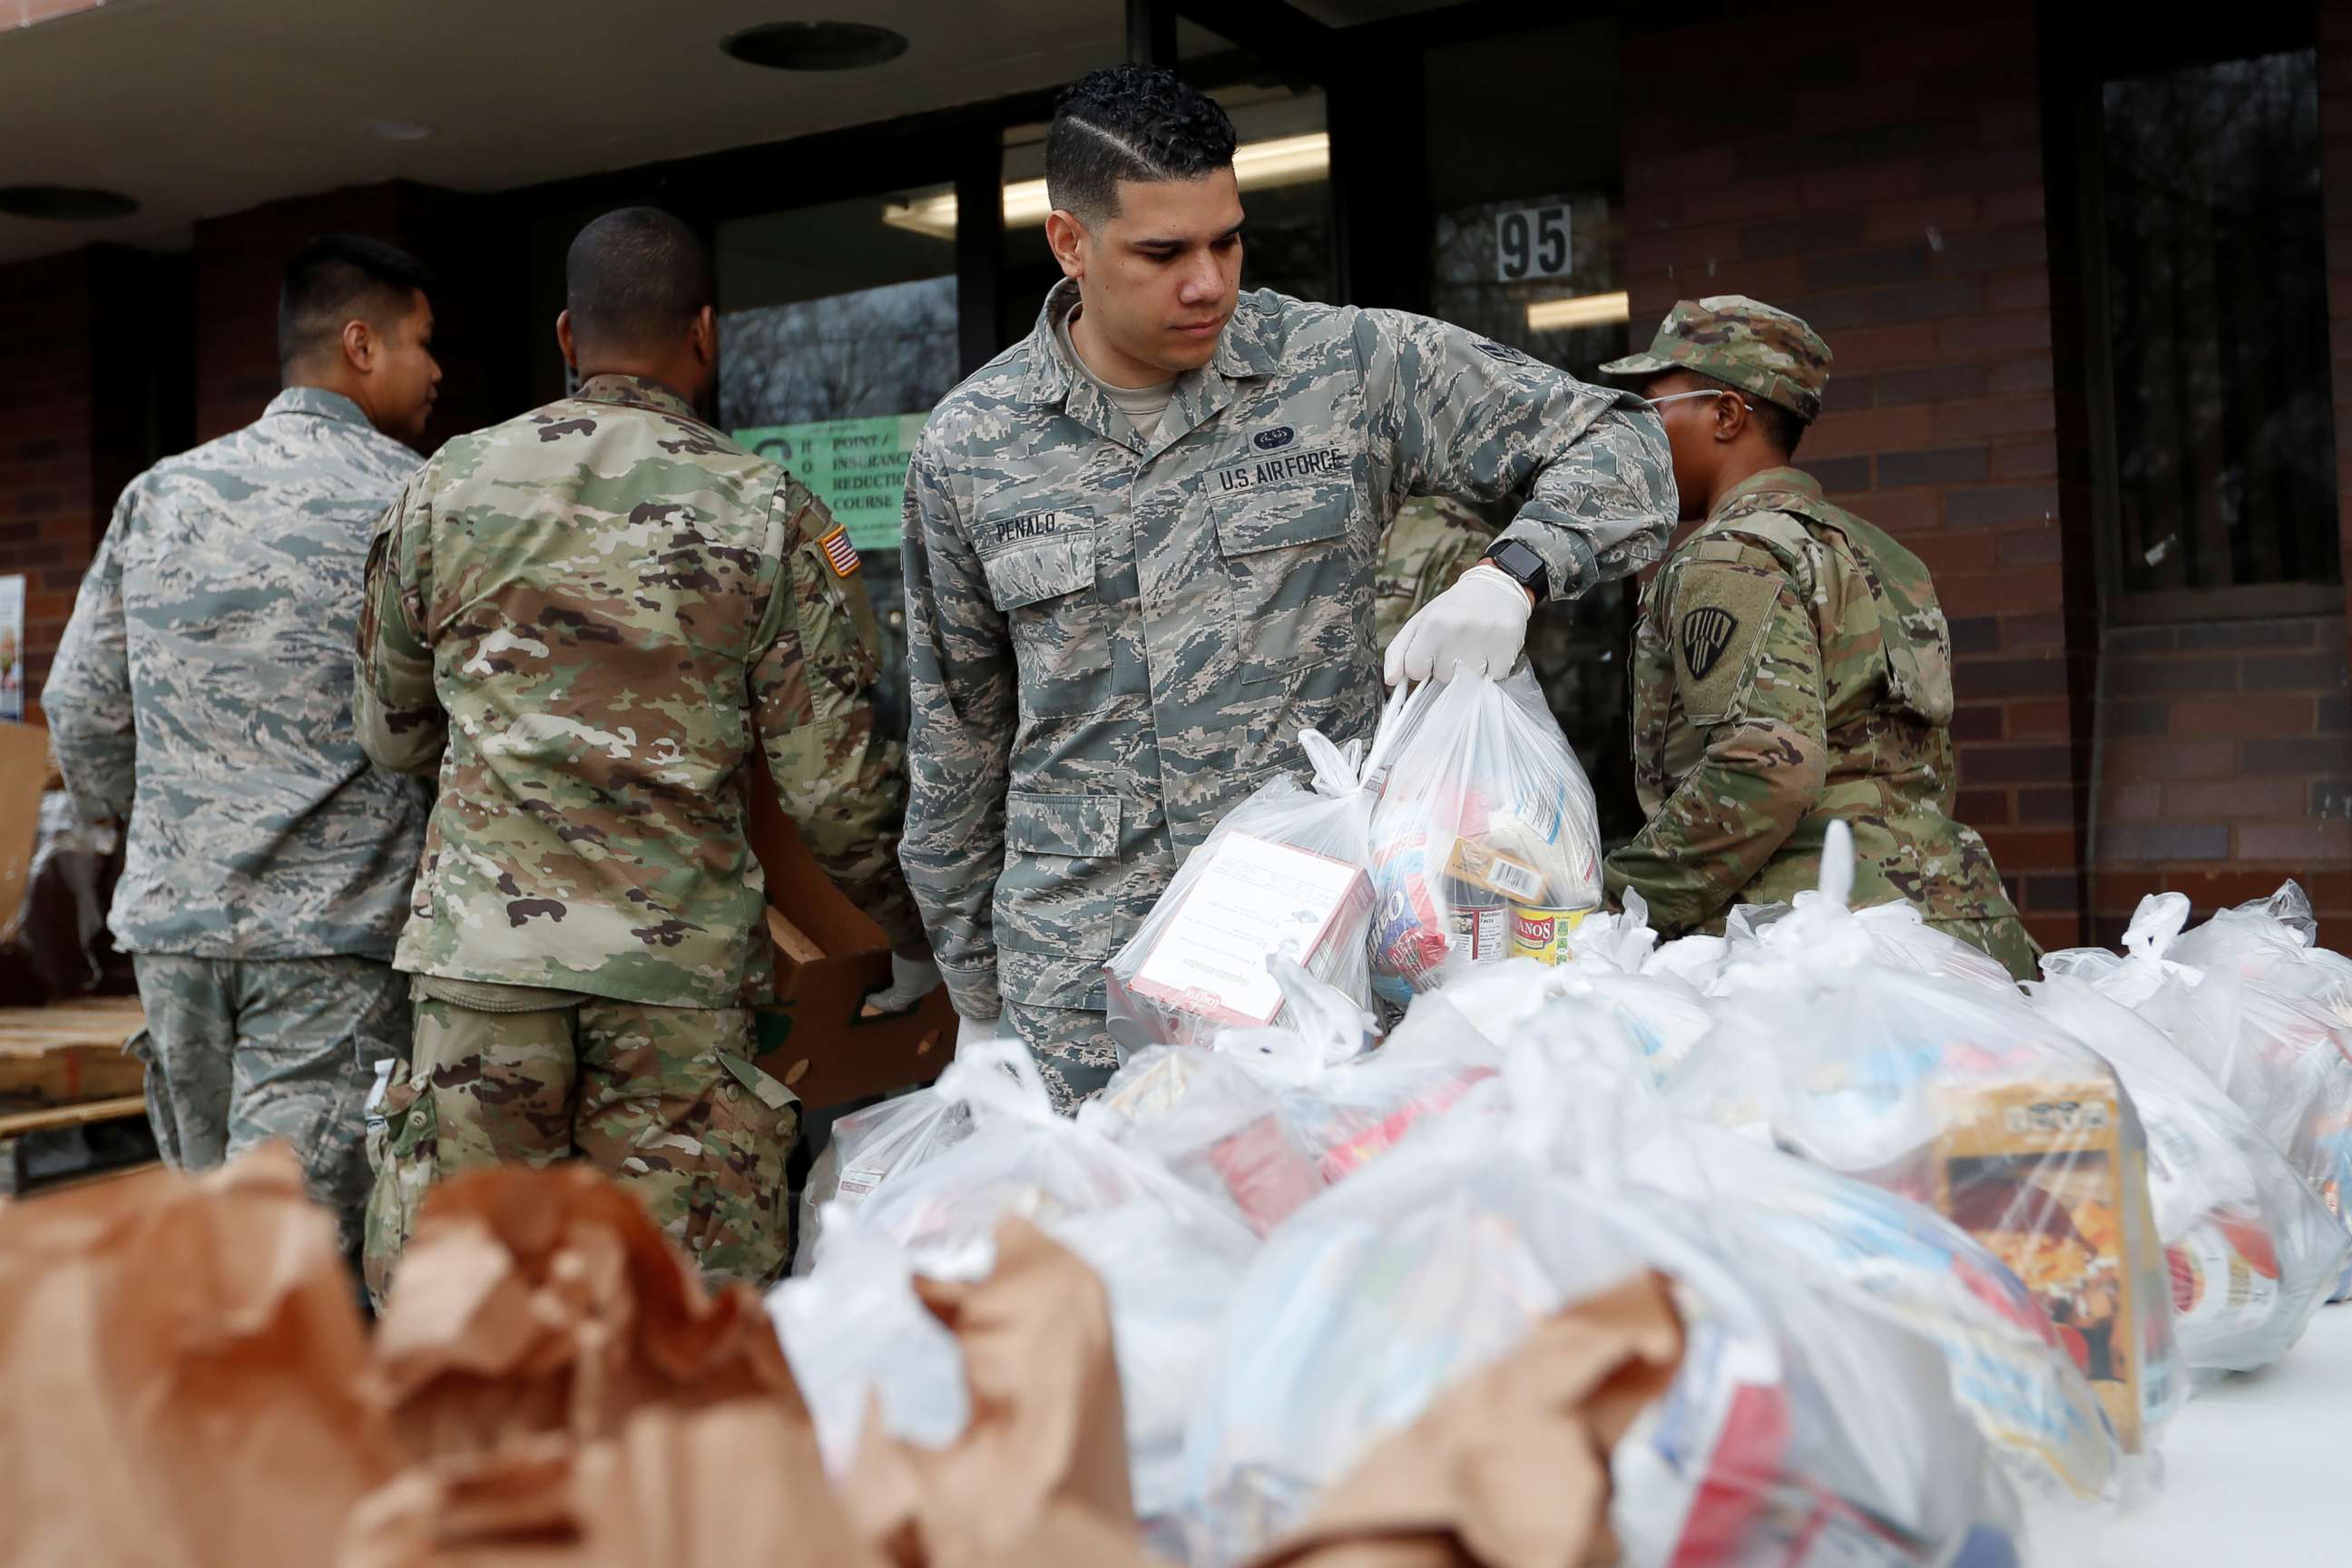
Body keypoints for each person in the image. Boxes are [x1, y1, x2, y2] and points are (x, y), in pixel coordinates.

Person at [901, 64, 1675, 1109]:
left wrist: (1514, 573)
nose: (1208, 282)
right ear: (1069, 243)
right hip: (1082, 988)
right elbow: (957, 737)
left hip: (1323, 973)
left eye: (1228, 240)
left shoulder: (1343, 367)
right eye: (1164, 252)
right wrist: (975, 1000)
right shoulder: (972, 445)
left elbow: (1621, 443)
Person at [353, 207, 933, 1297]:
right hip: (678, 985)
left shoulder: (445, 488)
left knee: (467, 1324)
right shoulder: (767, 511)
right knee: (678, 1338)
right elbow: (833, 787)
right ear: (704, 334)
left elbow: (390, 735)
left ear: (568, 335)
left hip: (484, 965)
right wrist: (913, 939)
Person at [44, 234, 441, 1260]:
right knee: (296, 1276)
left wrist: (179, 826)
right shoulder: (415, 500)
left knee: (213, 1255)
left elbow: (80, 709)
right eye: (421, 343)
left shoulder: (161, 493)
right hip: (330, 945)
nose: (438, 372)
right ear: (360, 344)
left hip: (178, 938)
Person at [1595, 295, 2039, 979]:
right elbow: (1916, 766)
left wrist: (1620, 901)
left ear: (1726, 414)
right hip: (1955, 931)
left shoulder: (1730, 556)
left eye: (1655, 411)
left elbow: (1766, 766)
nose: (1641, 438)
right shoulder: (1885, 557)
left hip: (1818, 952)